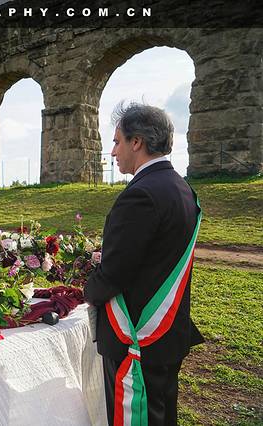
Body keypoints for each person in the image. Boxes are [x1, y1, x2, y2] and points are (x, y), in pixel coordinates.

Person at [84, 103, 204, 426]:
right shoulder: (182, 188)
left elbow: (114, 274)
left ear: (136, 142)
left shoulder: (141, 195)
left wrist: (86, 290)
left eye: (117, 141)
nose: (113, 152)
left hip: (136, 339)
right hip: (168, 334)